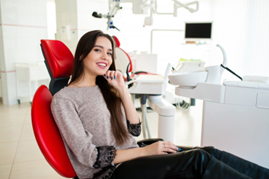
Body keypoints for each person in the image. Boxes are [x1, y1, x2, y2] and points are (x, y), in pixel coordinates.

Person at [51, 30, 269, 179]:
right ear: (81, 54)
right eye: (98, 50)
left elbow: (133, 131)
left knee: (210, 151)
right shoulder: (64, 99)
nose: (105, 57)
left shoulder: (106, 87)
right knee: (198, 160)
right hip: (110, 173)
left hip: (132, 155)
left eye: (109, 52)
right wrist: (147, 153)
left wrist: (123, 91)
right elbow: (90, 157)